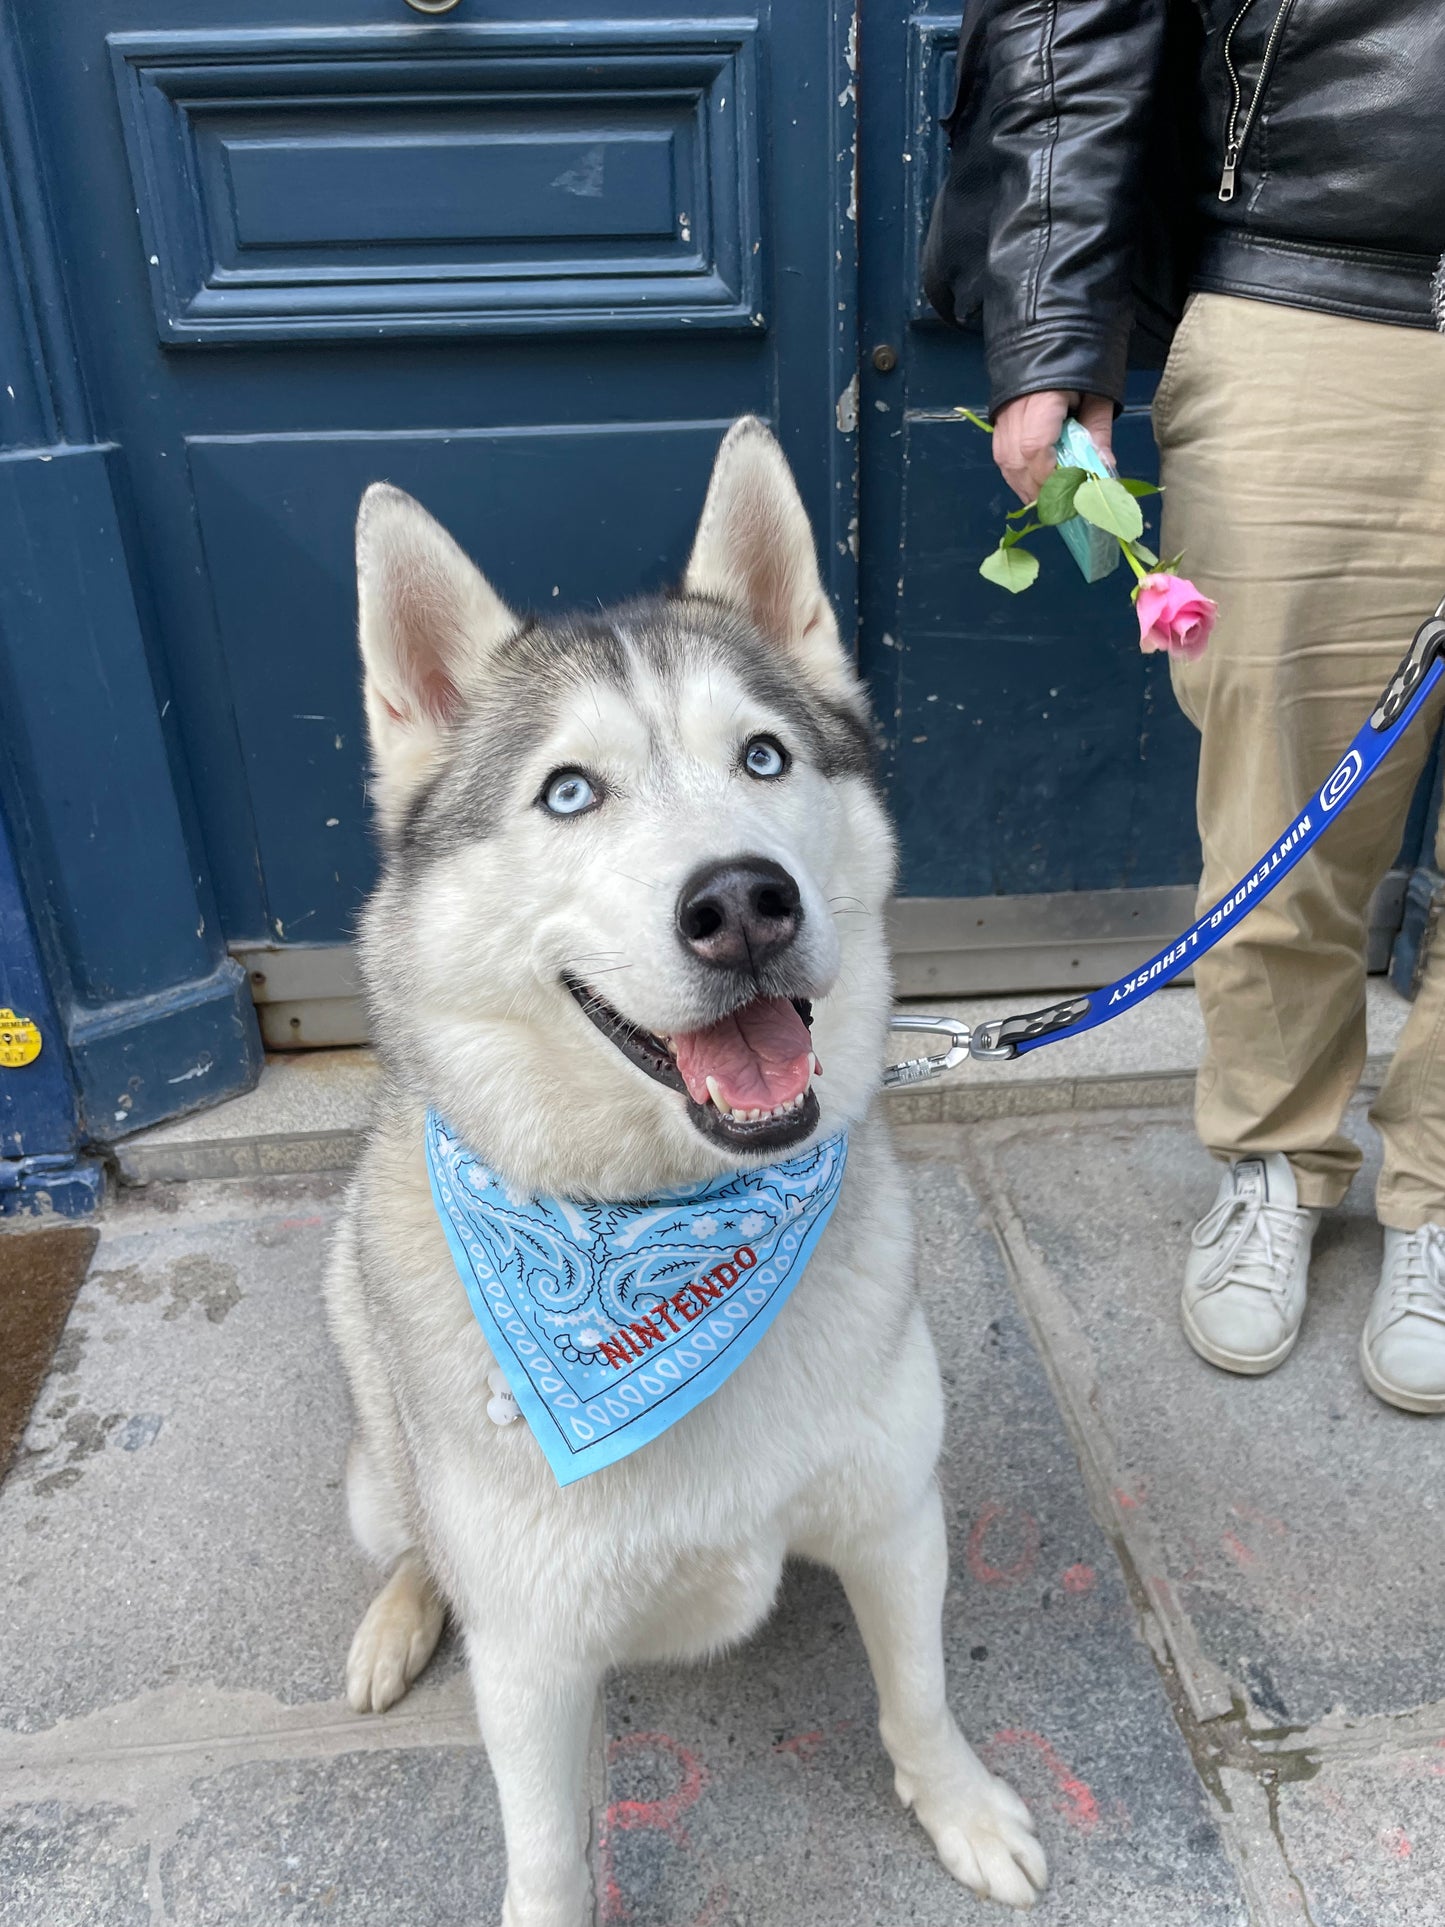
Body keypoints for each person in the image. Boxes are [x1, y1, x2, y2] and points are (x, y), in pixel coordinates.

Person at [925, 2, 1445, 1411]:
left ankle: (1439, 1190)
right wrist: (1052, 328)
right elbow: (1072, 22)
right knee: (1281, 809)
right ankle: (1273, 1159)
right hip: (1320, 297)